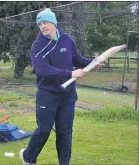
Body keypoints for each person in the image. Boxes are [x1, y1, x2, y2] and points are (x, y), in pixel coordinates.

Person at [19, 8, 101, 165]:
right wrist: (70, 74)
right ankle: (28, 157)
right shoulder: (37, 45)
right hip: (47, 94)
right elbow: (42, 69)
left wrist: (92, 62)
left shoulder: (66, 39)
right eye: (40, 24)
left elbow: (76, 58)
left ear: (54, 22)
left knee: (64, 132)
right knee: (44, 130)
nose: (42, 26)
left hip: (68, 94)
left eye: (45, 22)